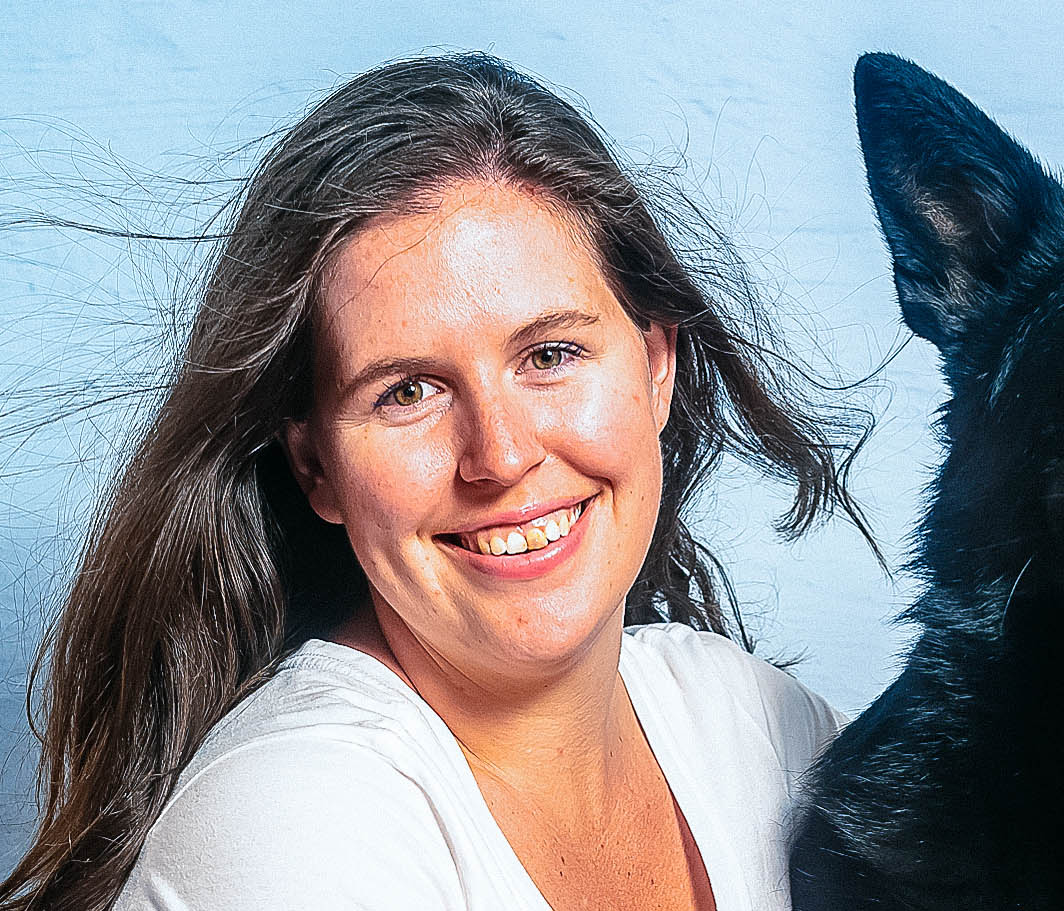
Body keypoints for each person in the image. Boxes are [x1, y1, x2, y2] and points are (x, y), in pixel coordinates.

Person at [0, 52, 874, 911]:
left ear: (654, 367)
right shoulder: (294, 820)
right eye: (408, 390)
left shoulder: (754, 721)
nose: (498, 454)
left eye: (550, 353)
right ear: (316, 467)